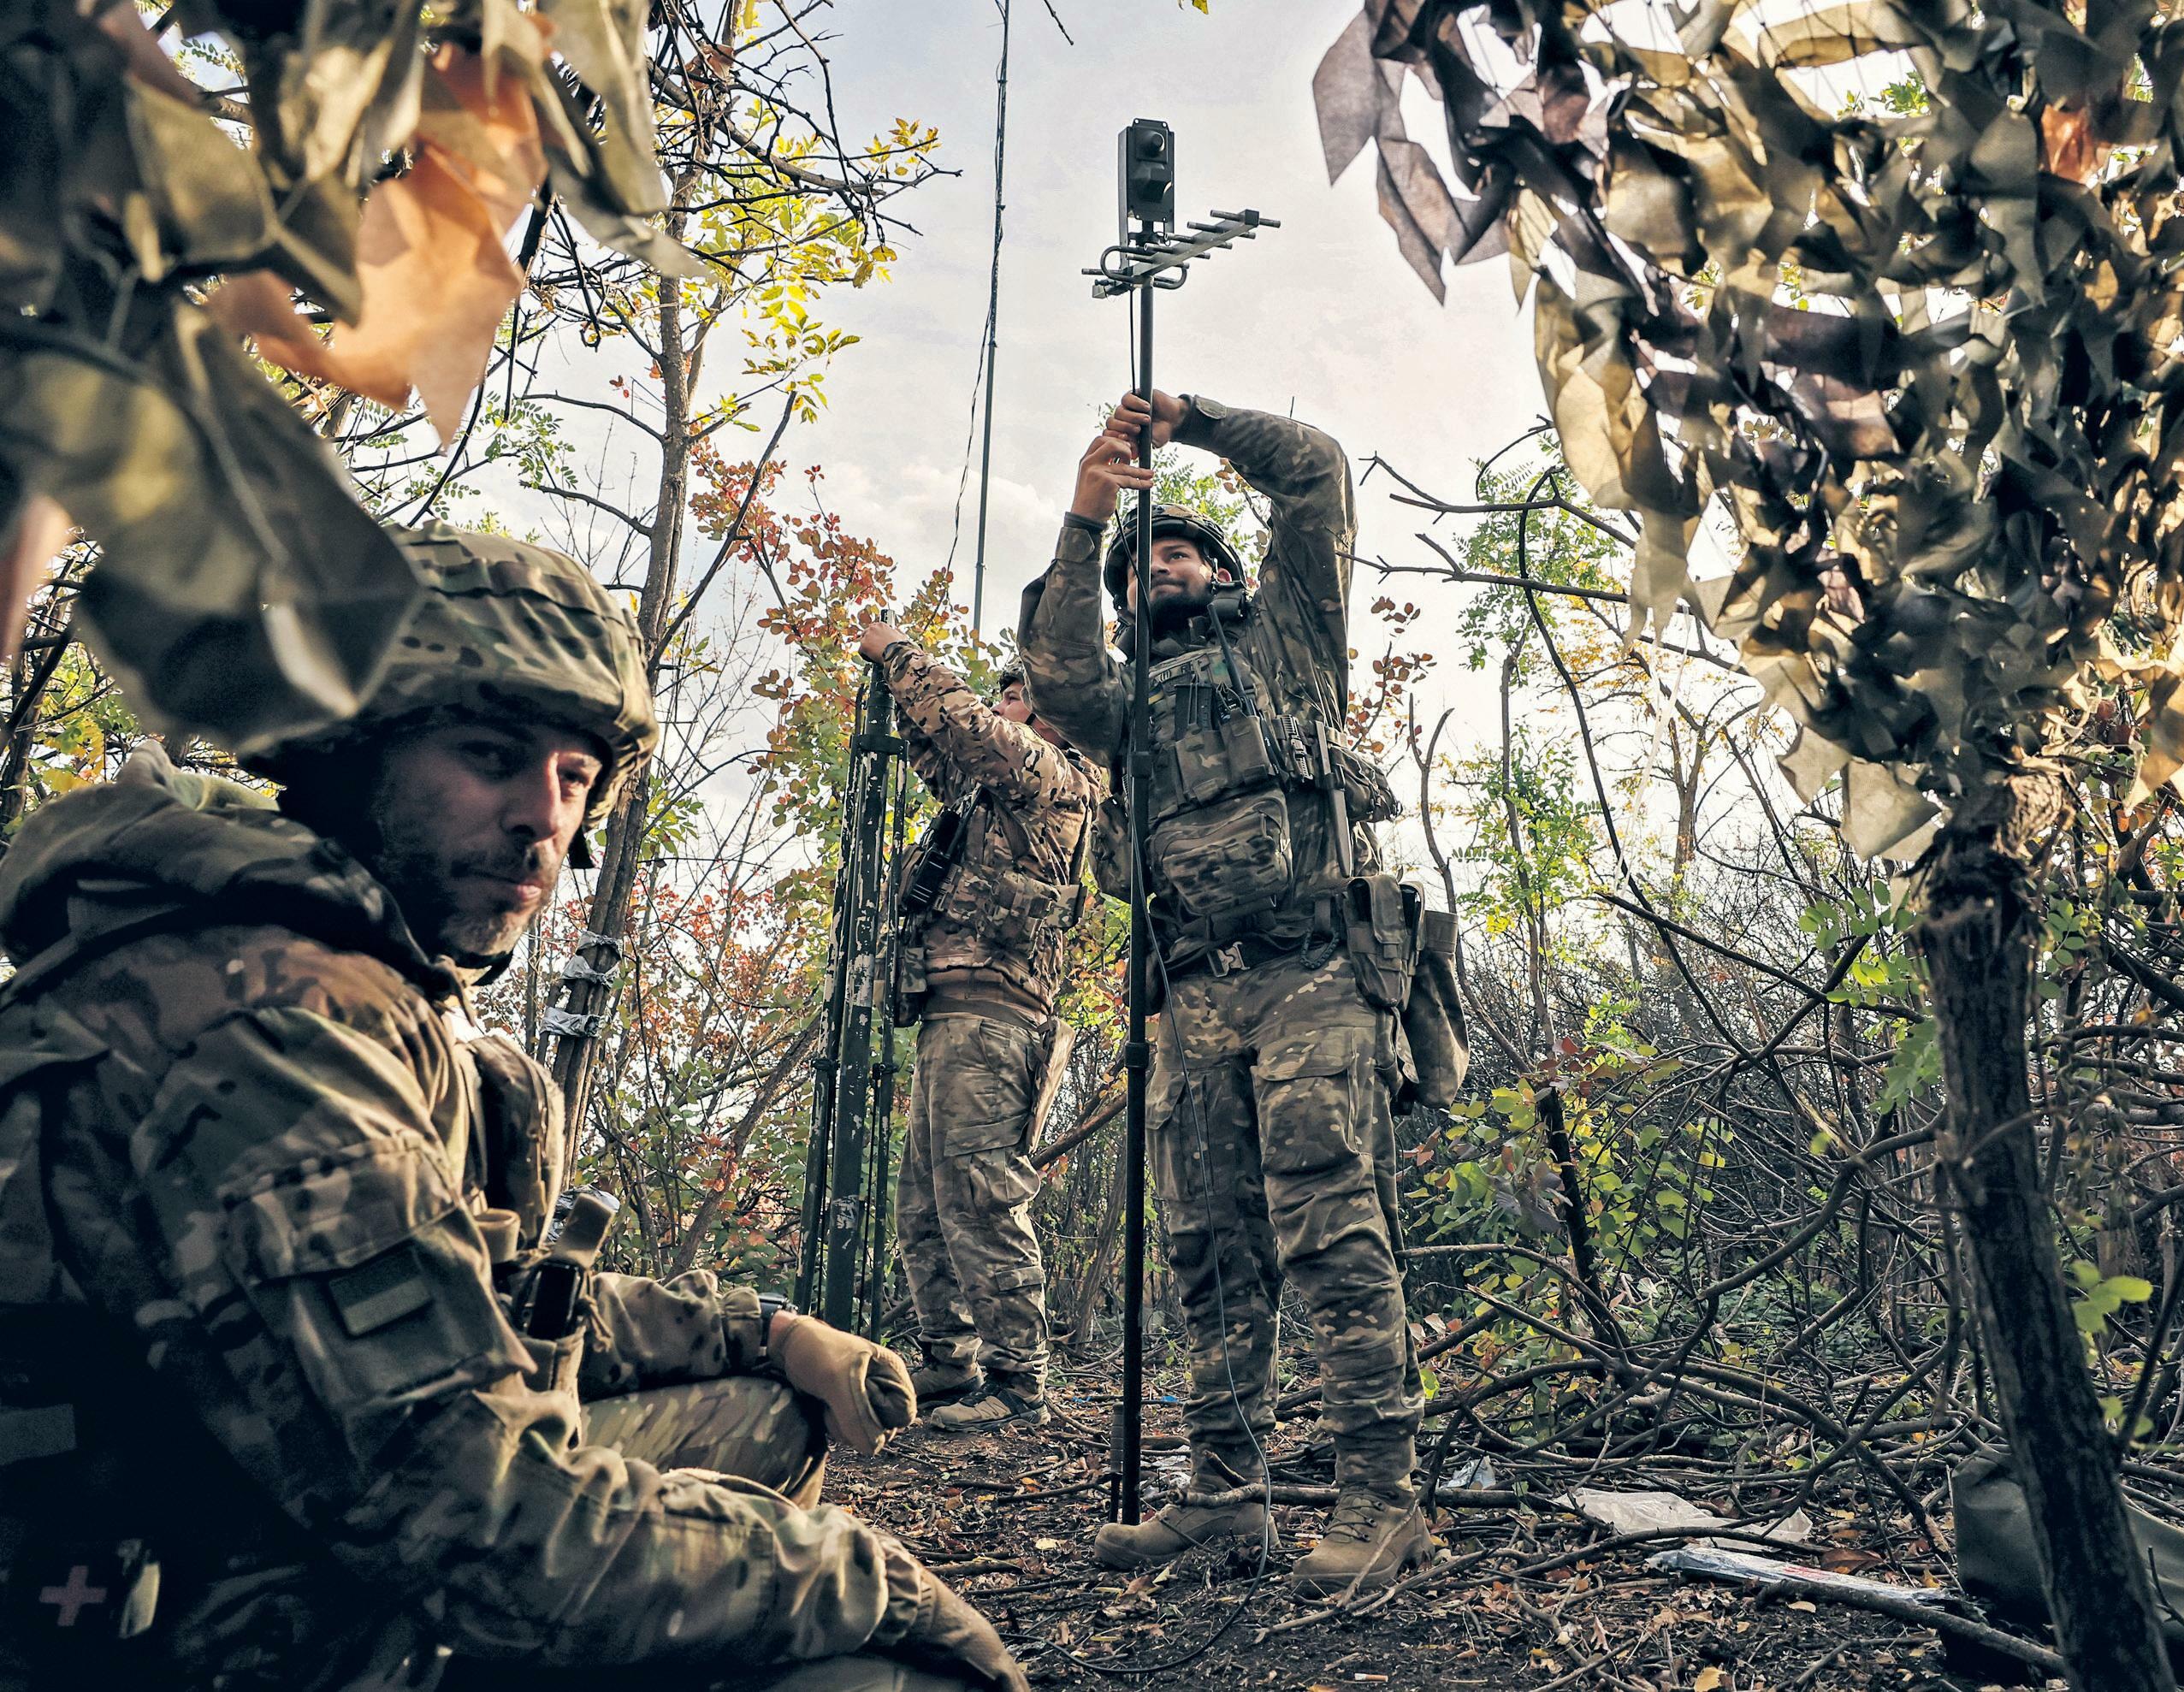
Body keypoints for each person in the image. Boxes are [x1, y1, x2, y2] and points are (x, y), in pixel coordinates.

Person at [0, 524, 1026, 1692]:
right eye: (490, 756)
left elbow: (472, 1299)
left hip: (249, 1539)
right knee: (877, 1676)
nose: (545, 819)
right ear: (352, 753)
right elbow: (496, 1535)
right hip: (180, 1629)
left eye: (574, 776)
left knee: (760, 1407)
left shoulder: (323, 975)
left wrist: (768, 1328)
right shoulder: (269, 1021)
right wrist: (882, 1585)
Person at [1015, 391, 1433, 1593]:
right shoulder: (1122, 710)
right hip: (1194, 1000)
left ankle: (1382, 1504)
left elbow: (1316, 470)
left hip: (1314, 972)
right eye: (1140, 565)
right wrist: (1092, 513)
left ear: (1229, 573)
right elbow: (1054, 664)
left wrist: (1187, 420)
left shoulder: (1293, 638)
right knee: (1206, 1247)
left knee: (1330, 1228)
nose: (1159, 570)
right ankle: (1225, 1501)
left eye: (1181, 548)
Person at [852, 629, 1101, 1435]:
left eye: (1019, 695)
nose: (1003, 705)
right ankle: (949, 1361)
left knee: (981, 1197)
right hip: (952, 1016)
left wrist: (897, 654)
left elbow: (967, 729)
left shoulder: (1059, 780)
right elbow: (940, 743)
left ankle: (1020, 1380)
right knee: (923, 1202)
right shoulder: (992, 798)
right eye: (1001, 693)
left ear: (1056, 716)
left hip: (996, 1019)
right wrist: (897, 686)